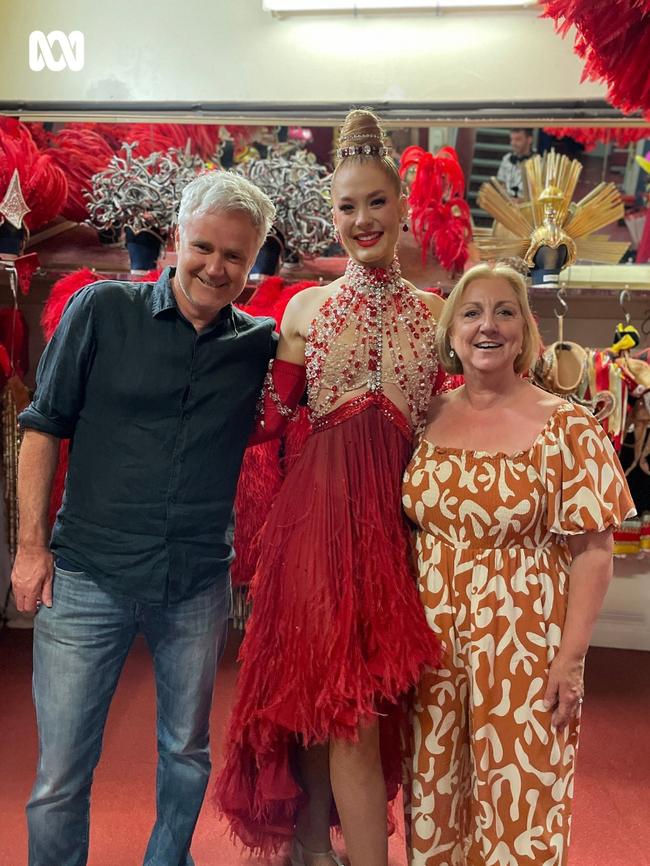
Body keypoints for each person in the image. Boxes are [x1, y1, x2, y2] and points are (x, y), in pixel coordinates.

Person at [11, 170, 277, 866]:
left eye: (235, 257)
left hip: (194, 582)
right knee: (61, 773)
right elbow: (41, 426)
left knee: (186, 752)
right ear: (176, 239)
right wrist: (29, 549)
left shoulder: (258, 345)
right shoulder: (101, 309)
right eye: (205, 247)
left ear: (253, 264)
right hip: (87, 575)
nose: (216, 267)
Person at [215, 109, 446, 866]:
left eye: (375, 202)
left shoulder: (438, 317)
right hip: (316, 526)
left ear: (402, 206)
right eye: (345, 207)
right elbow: (268, 429)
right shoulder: (306, 308)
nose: (361, 219)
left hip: (399, 532)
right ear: (331, 217)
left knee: (346, 702)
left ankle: (315, 849)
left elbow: (449, 425)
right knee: (343, 706)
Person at [402, 263, 635, 866]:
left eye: (504, 311)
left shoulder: (569, 427)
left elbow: (595, 553)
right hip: (430, 642)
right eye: (473, 312)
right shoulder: (422, 418)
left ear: (526, 330)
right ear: (451, 330)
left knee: (522, 798)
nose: (488, 326)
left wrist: (573, 661)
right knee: (434, 791)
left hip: (526, 642)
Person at [496, 127, 535, 199]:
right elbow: (501, 184)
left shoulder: (538, 163)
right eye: (512, 139)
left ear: (529, 140)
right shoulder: (506, 159)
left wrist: (523, 201)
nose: (513, 143)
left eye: (518, 139)